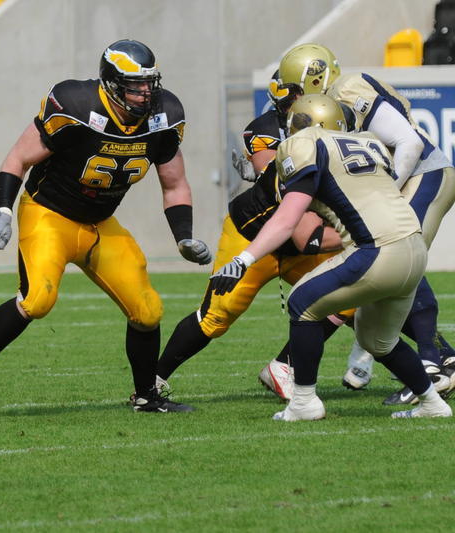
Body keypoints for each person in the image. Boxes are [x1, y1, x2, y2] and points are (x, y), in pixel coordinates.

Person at [0, 39, 212, 420]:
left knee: (148, 311)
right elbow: (18, 158)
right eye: (135, 85)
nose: (145, 93)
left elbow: (175, 184)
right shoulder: (77, 105)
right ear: (111, 84)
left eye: (149, 83)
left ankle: (147, 396)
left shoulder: (165, 115)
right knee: (37, 300)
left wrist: (183, 236)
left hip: (99, 223)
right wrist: (3, 211)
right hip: (48, 214)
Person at [210, 93, 451, 421]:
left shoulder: (304, 143)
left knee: (302, 302)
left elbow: (287, 219)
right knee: (378, 341)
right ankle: (432, 404)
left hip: (378, 249)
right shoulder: (368, 142)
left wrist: (243, 260)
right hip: (414, 248)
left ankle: (304, 403)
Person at [278, 43, 455, 404]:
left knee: (398, 252)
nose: (293, 99)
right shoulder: (330, 103)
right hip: (413, 179)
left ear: (314, 79)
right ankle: (442, 358)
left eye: (295, 89)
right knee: (389, 263)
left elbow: (408, 141)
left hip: (424, 174)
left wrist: (386, 193)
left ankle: (430, 365)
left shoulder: (347, 88)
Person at [156, 70, 347, 400]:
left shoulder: (334, 136)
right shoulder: (271, 135)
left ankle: (285, 367)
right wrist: (361, 236)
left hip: (299, 236)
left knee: (350, 296)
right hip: (255, 235)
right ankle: (153, 380)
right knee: (216, 316)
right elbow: (304, 231)